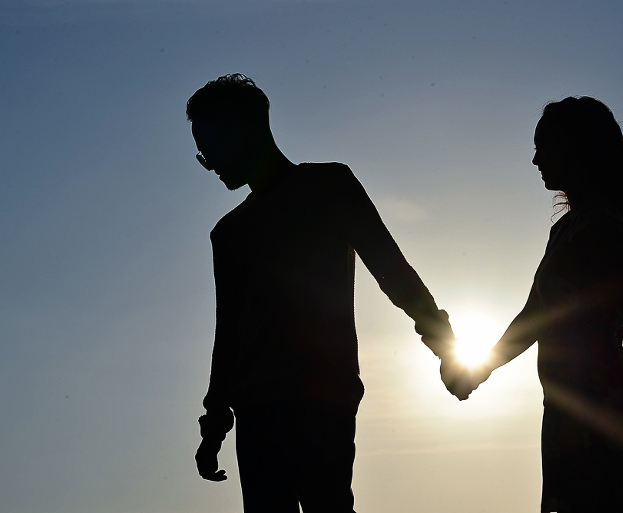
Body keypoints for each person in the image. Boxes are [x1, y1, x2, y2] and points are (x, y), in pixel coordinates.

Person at [187, 74, 456, 513]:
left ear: (246, 128)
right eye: (203, 155)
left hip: (320, 399)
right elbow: (229, 334)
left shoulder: (329, 186)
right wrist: (215, 420)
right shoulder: (228, 233)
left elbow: (392, 272)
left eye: (211, 147)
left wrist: (444, 343)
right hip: (259, 410)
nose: (211, 164)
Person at [443, 97, 623, 512]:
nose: (535, 160)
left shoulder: (601, 226)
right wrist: (479, 369)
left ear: (573, 148)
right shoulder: (565, 231)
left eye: (542, 147)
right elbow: (533, 318)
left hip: (597, 411)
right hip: (565, 414)